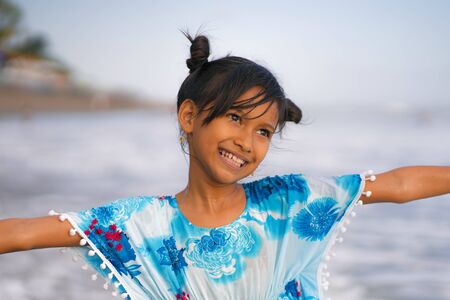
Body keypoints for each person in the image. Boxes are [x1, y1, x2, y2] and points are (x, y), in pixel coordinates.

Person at [0, 32, 449, 300]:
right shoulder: (138, 223)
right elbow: (21, 233)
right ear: (190, 117)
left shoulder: (289, 202)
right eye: (235, 118)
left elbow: (394, 183)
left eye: (263, 132)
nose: (246, 142)